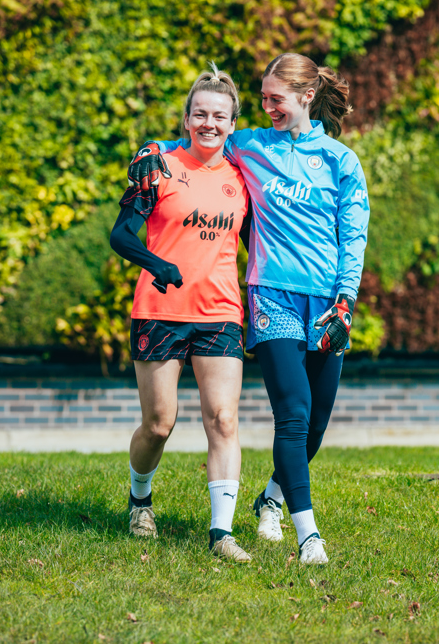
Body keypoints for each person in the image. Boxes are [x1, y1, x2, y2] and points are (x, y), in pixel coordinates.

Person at [127, 52, 370, 565]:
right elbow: (199, 139)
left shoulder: (342, 162)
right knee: (293, 416)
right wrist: (152, 148)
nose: (267, 108)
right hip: (269, 296)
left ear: (306, 98)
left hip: (327, 304)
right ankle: (308, 535)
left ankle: (271, 500)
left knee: (316, 426)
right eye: (261, 99)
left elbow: (354, 237)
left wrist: (346, 300)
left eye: (275, 100)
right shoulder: (252, 145)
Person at [111, 63, 253, 563]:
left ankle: (222, 534)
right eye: (199, 114)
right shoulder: (159, 167)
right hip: (158, 309)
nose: (209, 123)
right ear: (187, 119)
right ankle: (140, 500)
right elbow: (120, 235)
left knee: (223, 418)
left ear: (233, 123)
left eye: (219, 116)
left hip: (219, 312)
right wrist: (158, 264)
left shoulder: (243, 176)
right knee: (159, 423)